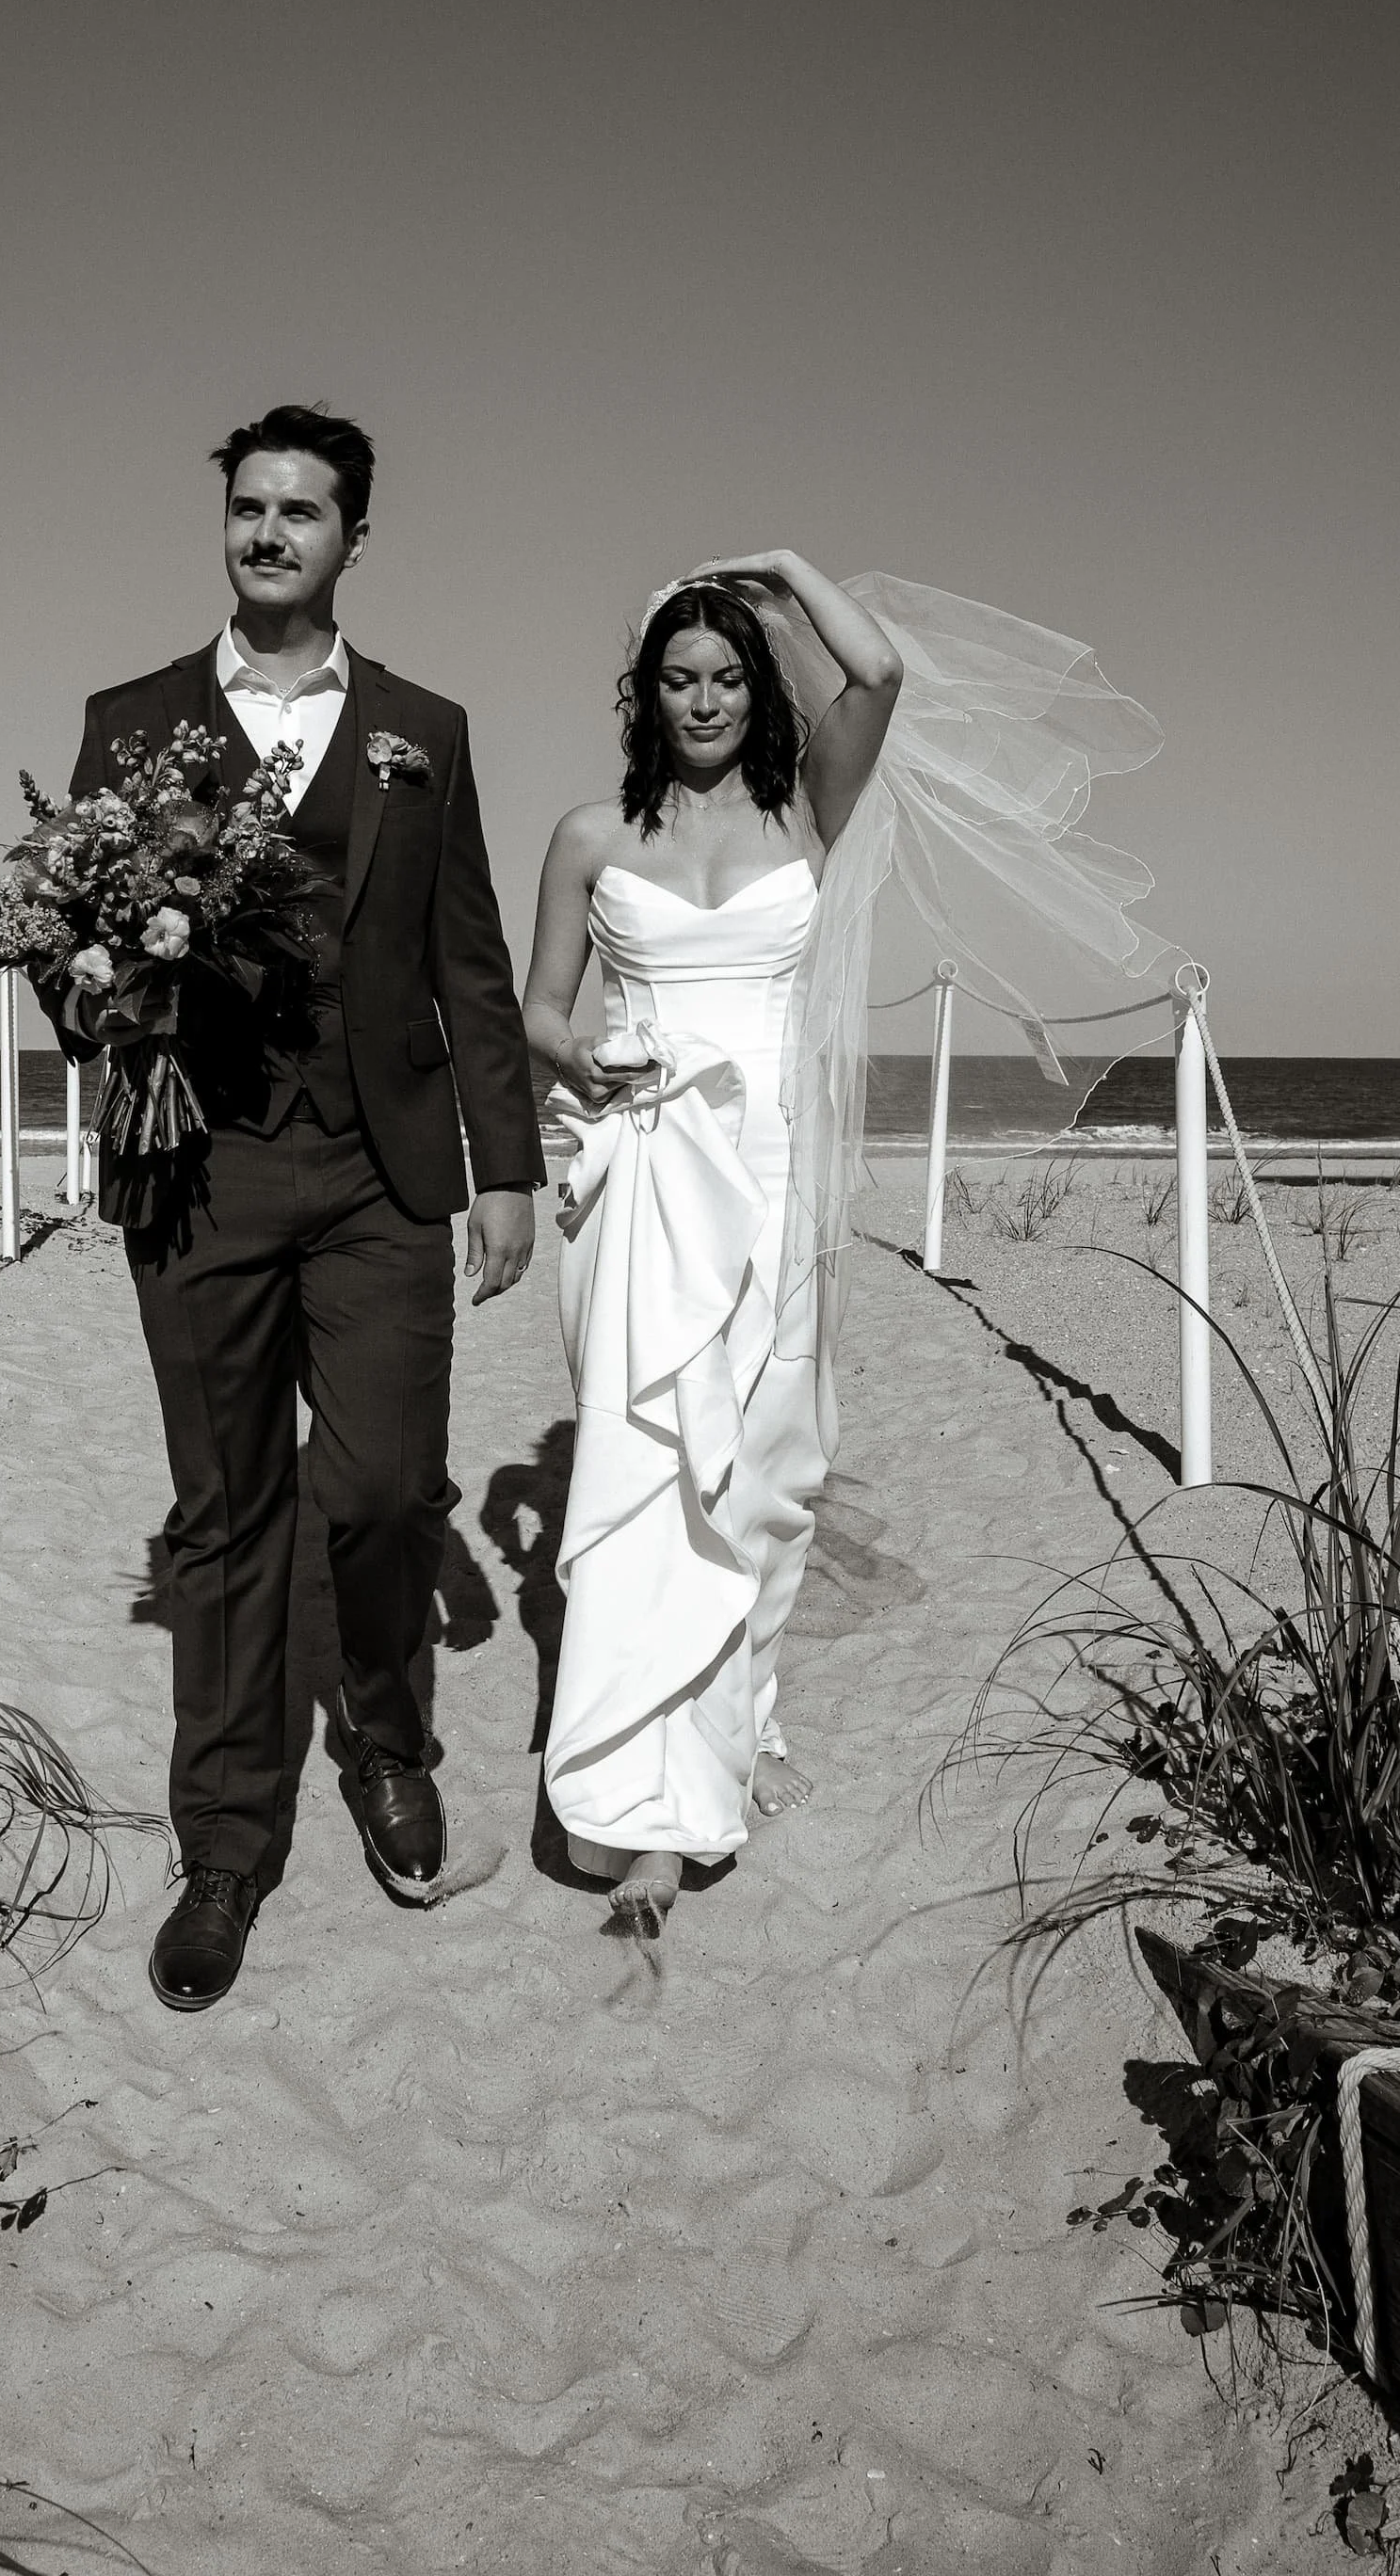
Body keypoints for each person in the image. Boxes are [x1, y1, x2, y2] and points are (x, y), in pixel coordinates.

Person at [39, 405, 542, 2011]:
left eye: (302, 512)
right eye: (248, 509)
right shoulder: (129, 720)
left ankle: (388, 1743)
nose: (269, 533)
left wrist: (506, 1164)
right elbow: (69, 950)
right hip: (199, 1170)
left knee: (389, 1490)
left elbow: (469, 957)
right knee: (227, 1513)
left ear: (352, 537)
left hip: (384, 1171)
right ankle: (226, 1845)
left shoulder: (424, 728)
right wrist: (99, 977)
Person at [523, 553, 903, 1931]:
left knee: (761, 1468)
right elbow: (541, 1012)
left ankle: (742, 1722)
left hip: (777, 1168)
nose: (703, 699)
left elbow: (881, 675)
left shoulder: (811, 812)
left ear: (758, 688)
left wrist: (786, 574)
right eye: (679, 677)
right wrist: (603, 1069)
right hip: (647, 1175)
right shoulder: (587, 836)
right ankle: (641, 1809)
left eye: (728, 676)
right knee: (642, 1465)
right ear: (646, 694)